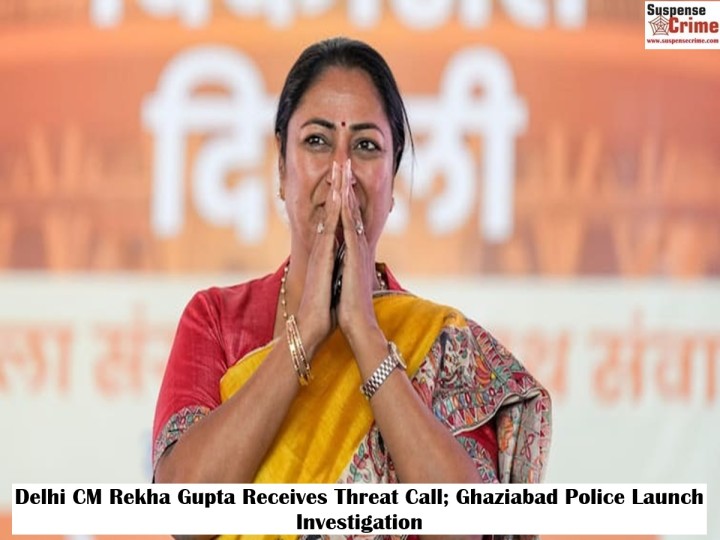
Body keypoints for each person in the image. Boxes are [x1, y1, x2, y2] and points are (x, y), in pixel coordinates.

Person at [152, 37, 551, 538]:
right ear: (281, 170)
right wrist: (305, 335)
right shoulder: (217, 320)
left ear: (392, 180)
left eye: (365, 146)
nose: (341, 171)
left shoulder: (438, 344)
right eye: (317, 141)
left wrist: (364, 332)